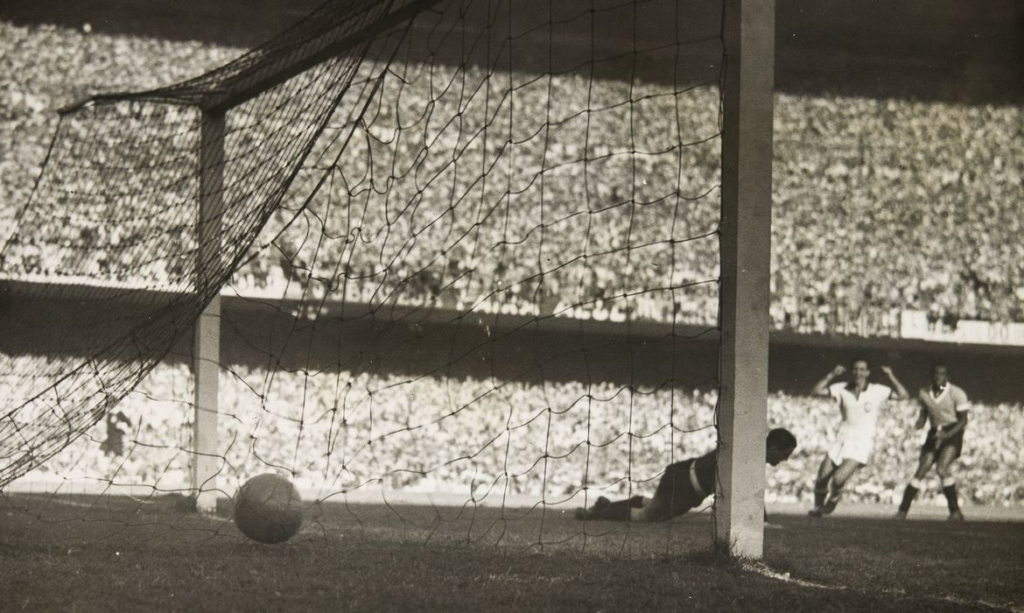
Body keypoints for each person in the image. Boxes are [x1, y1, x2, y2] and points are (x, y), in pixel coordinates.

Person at [574, 428, 797, 522]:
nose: (784, 460)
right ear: (774, 448)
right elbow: (752, 493)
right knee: (647, 517)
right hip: (685, 485)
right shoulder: (751, 456)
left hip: (684, 477)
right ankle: (596, 514)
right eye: (784, 455)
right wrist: (763, 522)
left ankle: (607, 504)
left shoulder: (750, 450)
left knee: (653, 508)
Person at [808, 359, 908, 517]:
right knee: (821, 477)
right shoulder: (841, 388)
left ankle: (834, 498)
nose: (858, 373)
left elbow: (903, 395)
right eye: (855, 369)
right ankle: (817, 509)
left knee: (838, 480)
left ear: (868, 372)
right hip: (841, 439)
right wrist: (832, 374)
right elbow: (816, 390)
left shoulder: (878, 390)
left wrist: (891, 376)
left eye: (862, 370)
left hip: (861, 443)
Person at [895, 364, 969, 521]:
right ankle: (902, 511)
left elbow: (963, 420)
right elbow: (923, 416)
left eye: (942, 374)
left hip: (952, 432)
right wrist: (916, 426)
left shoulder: (957, 393)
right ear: (931, 376)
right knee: (921, 470)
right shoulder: (924, 393)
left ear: (947, 377)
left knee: (942, 469)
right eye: (935, 374)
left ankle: (955, 512)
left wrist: (946, 434)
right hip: (934, 432)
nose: (938, 377)